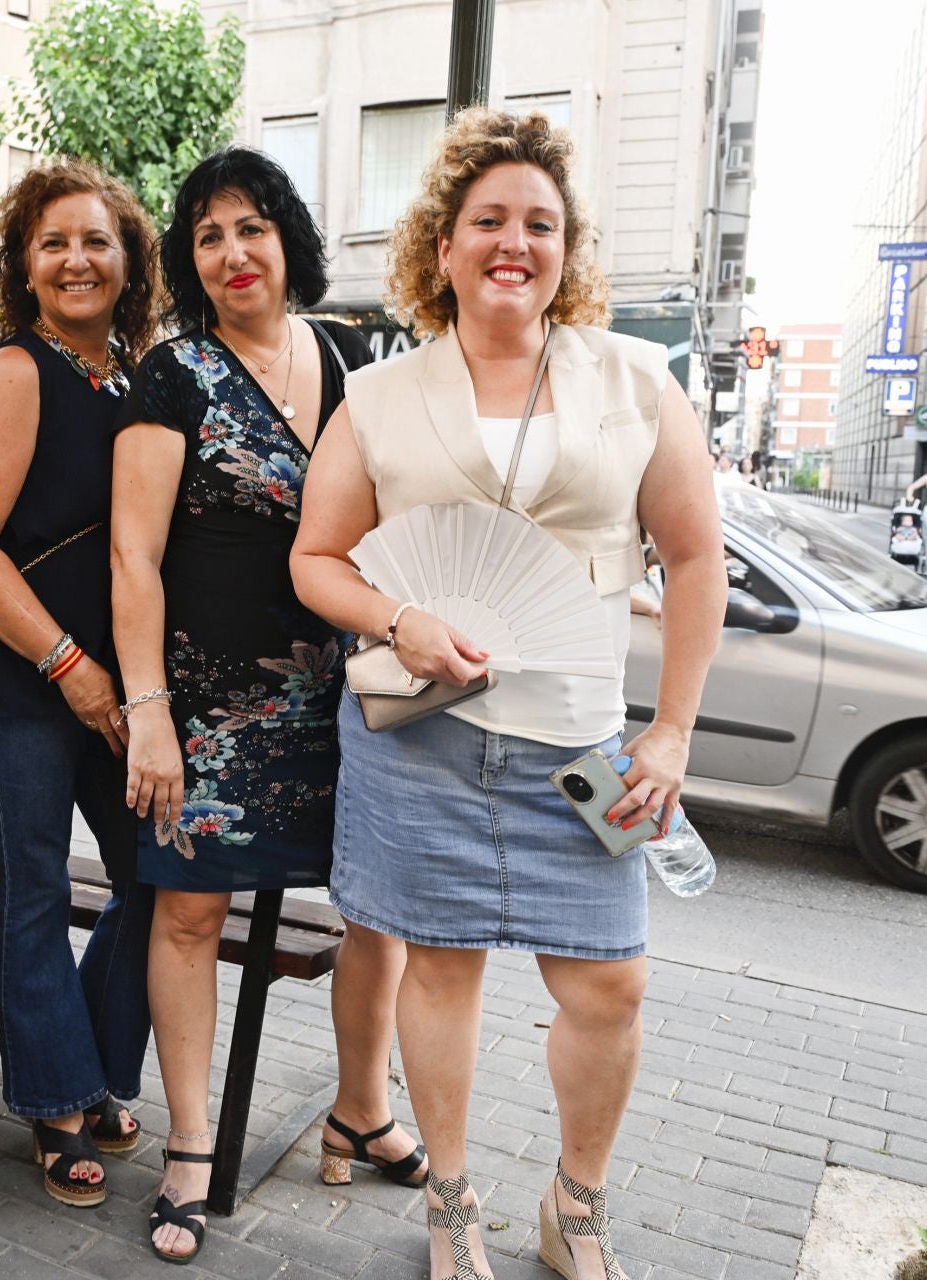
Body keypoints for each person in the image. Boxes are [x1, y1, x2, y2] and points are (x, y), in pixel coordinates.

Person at [288, 108, 726, 1280]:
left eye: (541, 222)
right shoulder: (380, 394)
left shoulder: (636, 380)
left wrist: (672, 732)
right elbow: (316, 559)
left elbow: (696, 559)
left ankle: (574, 1205)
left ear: (566, 249)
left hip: (579, 747)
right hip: (420, 741)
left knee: (612, 984)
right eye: (489, 219)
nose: (514, 242)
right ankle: (451, 1200)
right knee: (440, 970)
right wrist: (402, 619)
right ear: (443, 246)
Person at [112, 148, 425, 1265]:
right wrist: (150, 711)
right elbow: (133, 557)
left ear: (288, 238)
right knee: (190, 917)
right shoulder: (173, 373)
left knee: (378, 911)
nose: (233, 252)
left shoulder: (345, 361)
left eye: (251, 227)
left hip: (344, 702)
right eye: (208, 235)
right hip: (209, 709)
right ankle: (191, 1145)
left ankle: (362, 1108)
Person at [0, 162, 159, 1209]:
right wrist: (69, 665)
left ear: (129, 260)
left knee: (154, 876)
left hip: (121, 681)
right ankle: (56, 1101)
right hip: (22, 676)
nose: (76, 259)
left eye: (96, 240)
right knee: (36, 885)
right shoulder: (18, 370)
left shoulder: (136, 375)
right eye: (53, 242)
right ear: (24, 266)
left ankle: (89, 1059)